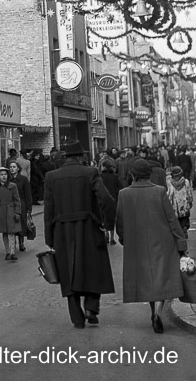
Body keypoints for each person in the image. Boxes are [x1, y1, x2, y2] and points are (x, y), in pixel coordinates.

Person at [44, 140, 116, 329]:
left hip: (62, 229)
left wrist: (49, 238)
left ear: (65, 157)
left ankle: (77, 318)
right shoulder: (90, 173)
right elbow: (107, 199)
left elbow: (48, 210)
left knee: (67, 272)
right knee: (94, 267)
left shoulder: (51, 176)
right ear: (81, 156)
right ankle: (91, 307)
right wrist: (107, 224)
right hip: (88, 226)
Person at [116, 158, 187, 333]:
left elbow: (120, 221)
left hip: (137, 242)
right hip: (162, 240)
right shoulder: (159, 191)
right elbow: (171, 219)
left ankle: (153, 311)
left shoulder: (124, 194)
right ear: (149, 174)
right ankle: (158, 312)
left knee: (148, 280)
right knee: (161, 277)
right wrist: (181, 242)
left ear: (132, 174)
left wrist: (124, 238)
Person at [0, 167, 21, 261]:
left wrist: (17, 212)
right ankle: (7, 251)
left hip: (11, 211)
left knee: (11, 231)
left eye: (5, 174)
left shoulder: (13, 186)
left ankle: (13, 252)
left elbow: (17, 200)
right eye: (1, 174)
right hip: (0, 211)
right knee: (4, 232)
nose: (3, 176)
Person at [8, 159, 32, 252]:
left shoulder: (23, 179)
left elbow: (28, 193)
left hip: (22, 203)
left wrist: (29, 207)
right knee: (12, 223)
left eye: (14, 167)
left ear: (18, 168)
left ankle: (21, 243)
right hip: (11, 204)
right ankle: (12, 243)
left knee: (21, 223)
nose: (12, 169)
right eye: (10, 167)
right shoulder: (8, 180)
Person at [167, 165, 193, 239]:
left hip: (175, 206)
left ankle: (179, 233)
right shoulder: (186, 182)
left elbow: (169, 194)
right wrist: (190, 201)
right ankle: (184, 228)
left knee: (177, 220)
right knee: (185, 219)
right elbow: (189, 193)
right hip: (184, 205)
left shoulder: (170, 183)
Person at [99, 159, 122, 244]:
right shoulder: (115, 176)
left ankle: (106, 235)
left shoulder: (100, 176)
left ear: (104, 167)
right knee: (111, 218)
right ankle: (112, 238)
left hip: (102, 200)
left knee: (104, 217)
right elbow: (120, 187)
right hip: (113, 200)